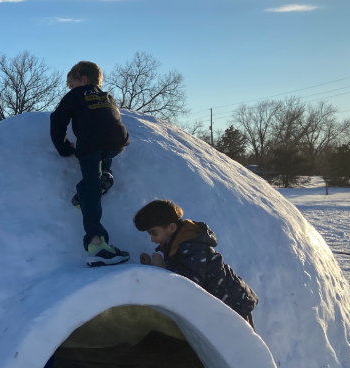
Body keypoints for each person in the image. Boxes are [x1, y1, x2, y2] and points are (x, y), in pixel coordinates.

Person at [50, 60, 131, 267]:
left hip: (91, 144)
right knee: (103, 157)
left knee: (89, 183)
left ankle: (97, 245)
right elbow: (108, 121)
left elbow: (57, 120)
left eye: (72, 84)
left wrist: (65, 148)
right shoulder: (108, 97)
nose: (71, 89)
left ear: (83, 79)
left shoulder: (76, 95)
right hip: (117, 142)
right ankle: (106, 174)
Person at [133, 199, 259, 327]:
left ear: (172, 227)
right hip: (221, 307)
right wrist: (153, 266)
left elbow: (191, 281)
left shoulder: (193, 246)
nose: (152, 239)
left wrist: (164, 267)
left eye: (154, 233)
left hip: (234, 305)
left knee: (236, 345)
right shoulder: (177, 244)